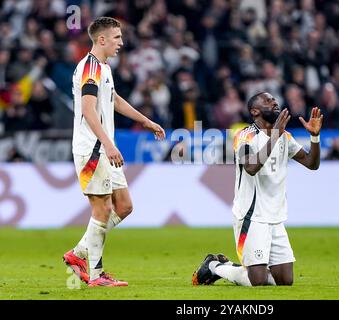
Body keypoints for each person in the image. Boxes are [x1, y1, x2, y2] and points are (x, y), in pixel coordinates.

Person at [62, 17, 165, 287]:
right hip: (93, 148)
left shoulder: (104, 68)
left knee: (124, 206)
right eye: (117, 38)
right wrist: (108, 144)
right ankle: (95, 275)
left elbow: (114, 100)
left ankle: (79, 252)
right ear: (102, 39)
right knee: (103, 207)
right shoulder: (89, 68)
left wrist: (145, 121)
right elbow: (87, 109)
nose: (121, 43)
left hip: (102, 147)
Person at [192, 92, 322, 286]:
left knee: (285, 281)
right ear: (255, 111)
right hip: (251, 216)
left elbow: (312, 163)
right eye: (268, 101)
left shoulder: (285, 137)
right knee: (257, 282)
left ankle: (246, 266)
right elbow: (251, 167)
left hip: (275, 216)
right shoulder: (244, 136)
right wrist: (275, 135)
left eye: (275, 100)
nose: (275, 102)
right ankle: (214, 266)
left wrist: (315, 137)